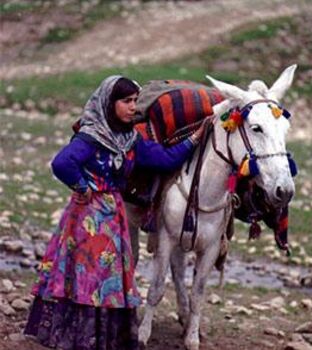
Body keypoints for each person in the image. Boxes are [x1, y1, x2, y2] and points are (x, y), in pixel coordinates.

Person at [24, 75, 205, 350]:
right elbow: (62, 163)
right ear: (110, 103)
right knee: (90, 275)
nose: (134, 107)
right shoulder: (91, 136)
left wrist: (194, 138)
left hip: (113, 216)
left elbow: (164, 159)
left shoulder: (129, 139)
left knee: (108, 276)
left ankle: (100, 336)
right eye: (127, 101)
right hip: (88, 218)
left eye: (135, 101)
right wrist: (82, 187)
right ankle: (80, 337)